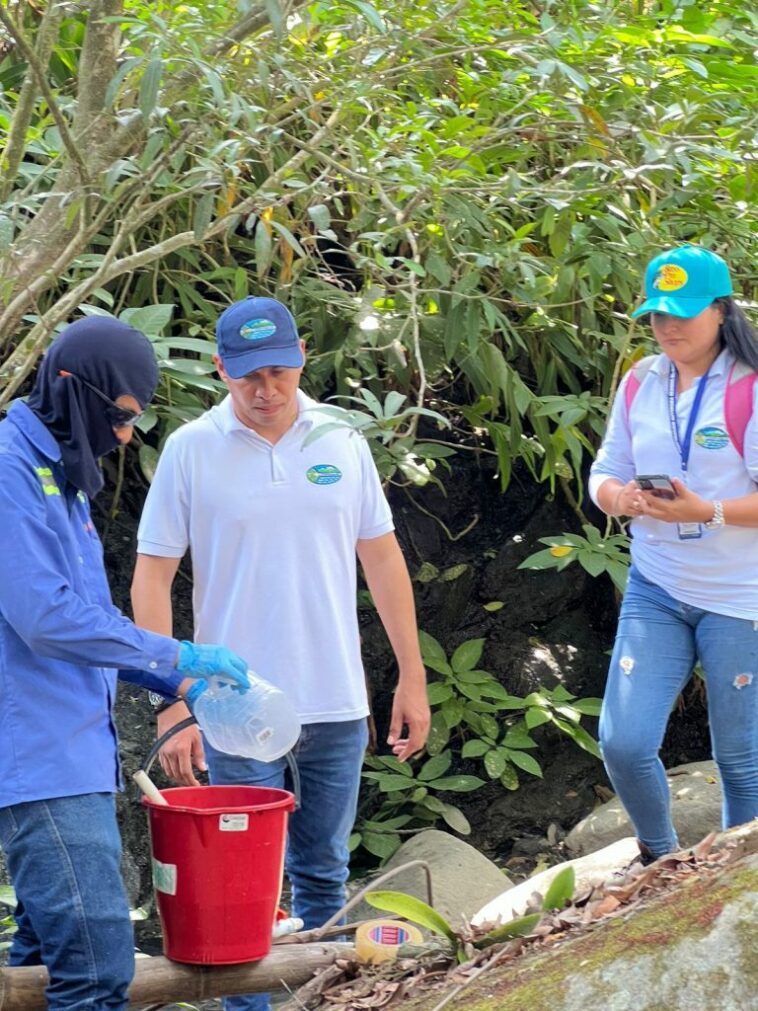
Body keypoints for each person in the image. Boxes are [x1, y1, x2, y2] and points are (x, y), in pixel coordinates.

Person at [131, 296, 430, 1011]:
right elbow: (151, 576)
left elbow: (383, 559)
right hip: (234, 707)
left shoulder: (341, 437)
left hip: (335, 695)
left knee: (325, 872)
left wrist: (412, 678)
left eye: (278, 371)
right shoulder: (191, 448)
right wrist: (175, 699)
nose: (265, 391)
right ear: (219, 370)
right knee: (242, 891)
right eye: (247, 377)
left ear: (302, 359)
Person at [0, 317, 254, 1011]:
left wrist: (175, 678)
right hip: (39, 758)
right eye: (119, 416)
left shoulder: (64, 473)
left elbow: (94, 622)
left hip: (75, 749)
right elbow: (46, 616)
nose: (123, 435)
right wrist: (176, 651)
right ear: (69, 388)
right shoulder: (9, 470)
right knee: (97, 969)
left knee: (42, 965)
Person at [589, 244, 758, 864]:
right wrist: (620, 497)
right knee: (623, 742)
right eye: (657, 314)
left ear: (721, 310)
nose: (668, 326)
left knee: (740, 761)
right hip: (657, 585)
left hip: (741, 598)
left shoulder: (749, 386)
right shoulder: (640, 380)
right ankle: (662, 862)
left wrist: (706, 512)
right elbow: (605, 469)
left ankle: (739, 884)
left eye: (682, 313)